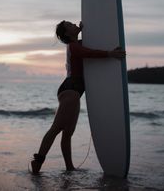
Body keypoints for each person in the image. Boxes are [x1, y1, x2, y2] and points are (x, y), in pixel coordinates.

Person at [30, 20, 126, 174]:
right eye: (70, 25)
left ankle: (69, 167)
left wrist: (80, 30)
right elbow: (88, 53)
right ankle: (38, 162)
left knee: (67, 133)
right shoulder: (74, 47)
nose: (74, 24)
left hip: (74, 91)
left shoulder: (75, 44)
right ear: (67, 33)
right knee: (56, 128)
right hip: (71, 90)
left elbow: (85, 45)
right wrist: (110, 54)